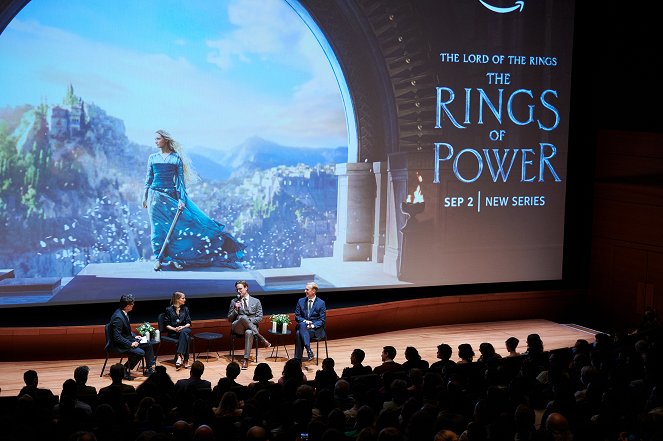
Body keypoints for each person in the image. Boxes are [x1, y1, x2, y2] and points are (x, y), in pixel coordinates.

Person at [143, 129, 245, 271]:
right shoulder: (152, 158)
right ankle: (158, 258)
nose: (155, 141)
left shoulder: (176, 158)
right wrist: (145, 197)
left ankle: (175, 257)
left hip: (171, 196)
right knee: (157, 229)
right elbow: (148, 179)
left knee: (176, 229)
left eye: (158, 139)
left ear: (165, 140)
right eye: (155, 139)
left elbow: (180, 183)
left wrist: (181, 200)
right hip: (155, 197)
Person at [109, 293, 155, 380]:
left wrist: (135, 337)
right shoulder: (118, 318)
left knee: (148, 344)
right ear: (126, 306)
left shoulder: (124, 313)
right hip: (121, 344)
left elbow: (126, 331)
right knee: (140, 352)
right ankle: (124, 369)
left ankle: (149, 368)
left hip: (128, 339)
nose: (133, 305)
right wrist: (130, 343)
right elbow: (117, 337)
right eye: (131, 304)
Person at [228, 280, 271, 369]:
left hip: (251, 328)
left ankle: (245, 359)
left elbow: (259, 317)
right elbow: (230, 319)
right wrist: (236, 309)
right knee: (243, 317)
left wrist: (249, 320)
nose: (239, 291)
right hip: (237, 327)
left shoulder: (256, 301)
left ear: (246, 288)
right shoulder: (234, 301)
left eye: (240, 289)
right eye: (237, 289)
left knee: (249, 332)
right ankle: (261, 338)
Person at [294, 281, 326, 361]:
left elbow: (322, 320)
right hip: (304, 327)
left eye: (307, 289)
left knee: (298, 333)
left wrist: (312, 325)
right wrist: (305, 321)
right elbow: (297, 316)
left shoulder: (321, 303)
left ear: (313, 291)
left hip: (314, 329)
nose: (305, 291)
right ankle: (309, 350)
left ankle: (298, 359)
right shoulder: (300, 301)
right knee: (302, 325)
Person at [164, 291, 192, 370]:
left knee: (184, 332)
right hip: (174, 332)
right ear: (177, 299)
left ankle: (179, 356)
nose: (185, 300)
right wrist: (174, 329)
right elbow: (167, 325)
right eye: (183, 298)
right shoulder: (169, 310)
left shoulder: (185, 309)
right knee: (185, 337)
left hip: (185, 329)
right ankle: (186, 361)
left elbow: (189, 323)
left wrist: (182, 327)